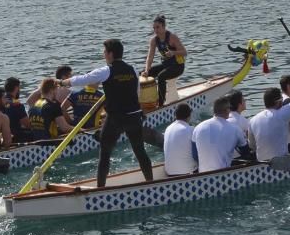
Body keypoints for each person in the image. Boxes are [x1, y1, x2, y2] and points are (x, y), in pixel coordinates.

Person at [58, 39, 154, 187]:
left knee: (105, 154)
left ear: (110, 54)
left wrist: (62, 83)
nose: (103, 54)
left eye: (104, 52)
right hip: (134, 116)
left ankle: (100, 189)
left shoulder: (106, 70)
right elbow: (136, 93)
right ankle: (150, 182)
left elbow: (84, 79)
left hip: (116, 119)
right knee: (140, 151)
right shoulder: (133, 70)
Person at [249, 78, 290, 162]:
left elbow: (252, 146)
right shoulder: (282, 114)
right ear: (279, 102)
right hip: (281, 164)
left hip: (262, 165)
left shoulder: (252, 120)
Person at [192, 95, 254, 172]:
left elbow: (194, 155)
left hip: (202, 174)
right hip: (223, 175)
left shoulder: (198, 127)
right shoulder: (235, 129)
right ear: (227, 110)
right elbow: (246, 152)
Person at [142, 15, 187, 106]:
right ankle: (145, 101)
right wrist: (146, 70)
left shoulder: (172, 37)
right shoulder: (154, 40)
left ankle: (161, 104)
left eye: (158, 27)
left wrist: (173, 53)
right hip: (166, 65)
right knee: (142, 74)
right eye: (154, 28)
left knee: (161, 77)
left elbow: (184, 52)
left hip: (178, 66)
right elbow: (150, 57)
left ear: (164, 26)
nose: (155, 30)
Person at [164, 103, 198, 175]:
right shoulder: (190, 130)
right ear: (189, 116)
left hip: (169, 173)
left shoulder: (168, 128)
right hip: (187, 173)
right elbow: (197, 154)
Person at [3, 77, 31, 143]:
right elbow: (28, 125)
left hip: (4, 136)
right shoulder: (17, 104)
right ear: (16, 88)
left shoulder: (0, 103)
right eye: (19, 88)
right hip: (17, 137)